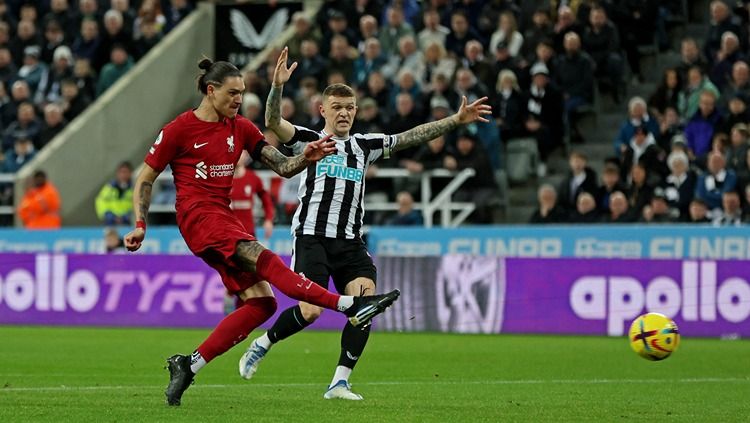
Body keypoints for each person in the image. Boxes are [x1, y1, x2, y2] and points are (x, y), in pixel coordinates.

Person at [123, 58, 400, 407]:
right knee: (267, 259)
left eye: (242, 92)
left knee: (262, 303)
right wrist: (140, 224)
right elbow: (145, 178)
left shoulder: (241, 128)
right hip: (198, 218)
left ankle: (189, 364)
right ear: (211, 91)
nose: (239, 99)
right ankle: (351, 306)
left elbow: (283, 167)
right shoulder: (180, 129)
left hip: (224, 220)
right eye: (233, 92)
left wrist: (308, 156)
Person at [241, 47, 491, 400]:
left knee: (366, 305)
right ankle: (264, 342)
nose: (344, 113)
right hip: (312, 237)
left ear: (356, 111)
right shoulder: (309, 140)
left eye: (350, 107)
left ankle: (339, 382)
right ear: (322, 110)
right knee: (310, 311)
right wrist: (277, 87)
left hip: (351, 243)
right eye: (337, 107)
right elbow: (272, 122)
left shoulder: (365, 145)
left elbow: (411, 136)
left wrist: (454, 120)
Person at [95, 161, 133, 225]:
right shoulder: (109, 187)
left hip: (129, 222)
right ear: (117, 173)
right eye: (121, 172)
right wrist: (108, 214)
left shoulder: (135, 188)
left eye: (126, 172)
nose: (123, 175)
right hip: (110, 222)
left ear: (130, 173)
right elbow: (100, 201)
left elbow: (139, 204)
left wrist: (129, 215)